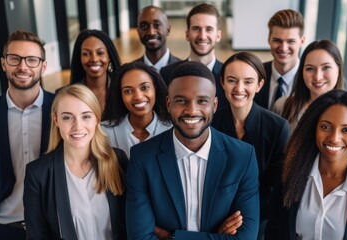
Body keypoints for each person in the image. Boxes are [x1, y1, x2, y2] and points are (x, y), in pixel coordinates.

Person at [126, 61, 259, 239]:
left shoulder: (243, 156)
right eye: (181, 101)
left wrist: (174, 237)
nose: (191, 110)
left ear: (214, 105)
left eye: (202, 101)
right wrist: (213, 236)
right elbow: (139, 237)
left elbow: (246, 238)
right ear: (168, 103)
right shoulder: (142, 158)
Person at [266, 89, 347, 239]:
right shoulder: (289, 175)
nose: (334, 138)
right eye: (325, 127)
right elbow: (273, 234)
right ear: (314, 128)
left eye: (346, 130)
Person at [23, 84, 127, 239]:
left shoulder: (118, 160)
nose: (77, 126)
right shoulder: (38, 174)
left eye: (86, 116)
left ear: (97, 119)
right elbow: (37, 236)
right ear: (56, 120)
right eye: (67, 117)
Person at [0, 30, 54, 239]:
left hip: (53, 226)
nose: (23, 67)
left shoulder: (61, 109)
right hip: (3, 226)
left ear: (43, 66)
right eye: (15, 59)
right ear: (4, 63)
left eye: (32, 60)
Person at [212, 52, 290, 240]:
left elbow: (274, 187)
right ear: (222, 82)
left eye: (248, 81)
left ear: (259, 85)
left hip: (260, 220)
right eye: (232, 80)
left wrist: (240, 220)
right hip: (215, 218)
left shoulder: (278, 128)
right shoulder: (211, 123)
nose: (239, 88)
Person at [160, 3, 228, 109]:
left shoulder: (228, 76)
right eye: (196, 29)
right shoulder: (167, 74)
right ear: (187, 34)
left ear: (218, 36)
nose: (202, 36)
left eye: (209, 29)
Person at [102, 62, 172, 158]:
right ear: (120, 95)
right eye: (128, 91)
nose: (138, 97)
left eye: (144, 88)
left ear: (155, 88)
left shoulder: (173, 129)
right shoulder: (103, 132)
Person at [273, 39, 345, 130]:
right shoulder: (282, 106)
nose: (317, 77)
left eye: (326, 67)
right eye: (310, 69)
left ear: (339, 69)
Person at [254, 9, 305, 110]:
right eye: (277, 40)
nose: (283, 48)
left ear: (302, 41)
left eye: (290, 41)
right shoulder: (256, 73)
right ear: (269, 39)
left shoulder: (310, 79)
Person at [69, 29, 121, 111]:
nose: (94, 59)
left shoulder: (122, 90)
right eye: (86, 54)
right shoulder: (69, 95)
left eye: (100, 53)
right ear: (79, 58)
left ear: (109, 57)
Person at [132, 5, 181, 72]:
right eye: (144, 26)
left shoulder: (183, 70)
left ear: (168, 30)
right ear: (138, 32)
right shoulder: (131, 71)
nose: (151, 32)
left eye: (157, 25)